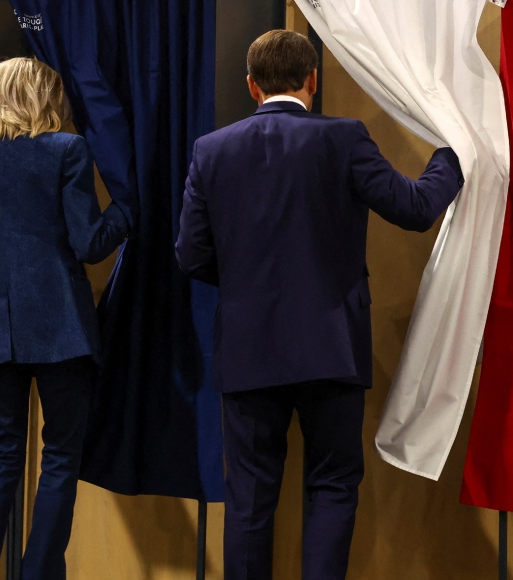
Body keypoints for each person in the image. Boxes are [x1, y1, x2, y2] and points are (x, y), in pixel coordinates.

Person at [176, 30, 464, 580]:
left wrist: (244, 287)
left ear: (251, 87)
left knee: (250, 502)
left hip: (248, 353)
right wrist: (457, 152)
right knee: (332, 489)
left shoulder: (211, 151)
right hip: (332, 349)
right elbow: (416, 207)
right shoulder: (345, 139)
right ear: (313, 79)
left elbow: (190, 255)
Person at [0, 57, 131, 580]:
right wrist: (128, 209)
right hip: (60, 327)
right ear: (45, 98)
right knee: (60, 459)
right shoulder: (67, 150)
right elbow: (89, 243)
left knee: (2, 458)